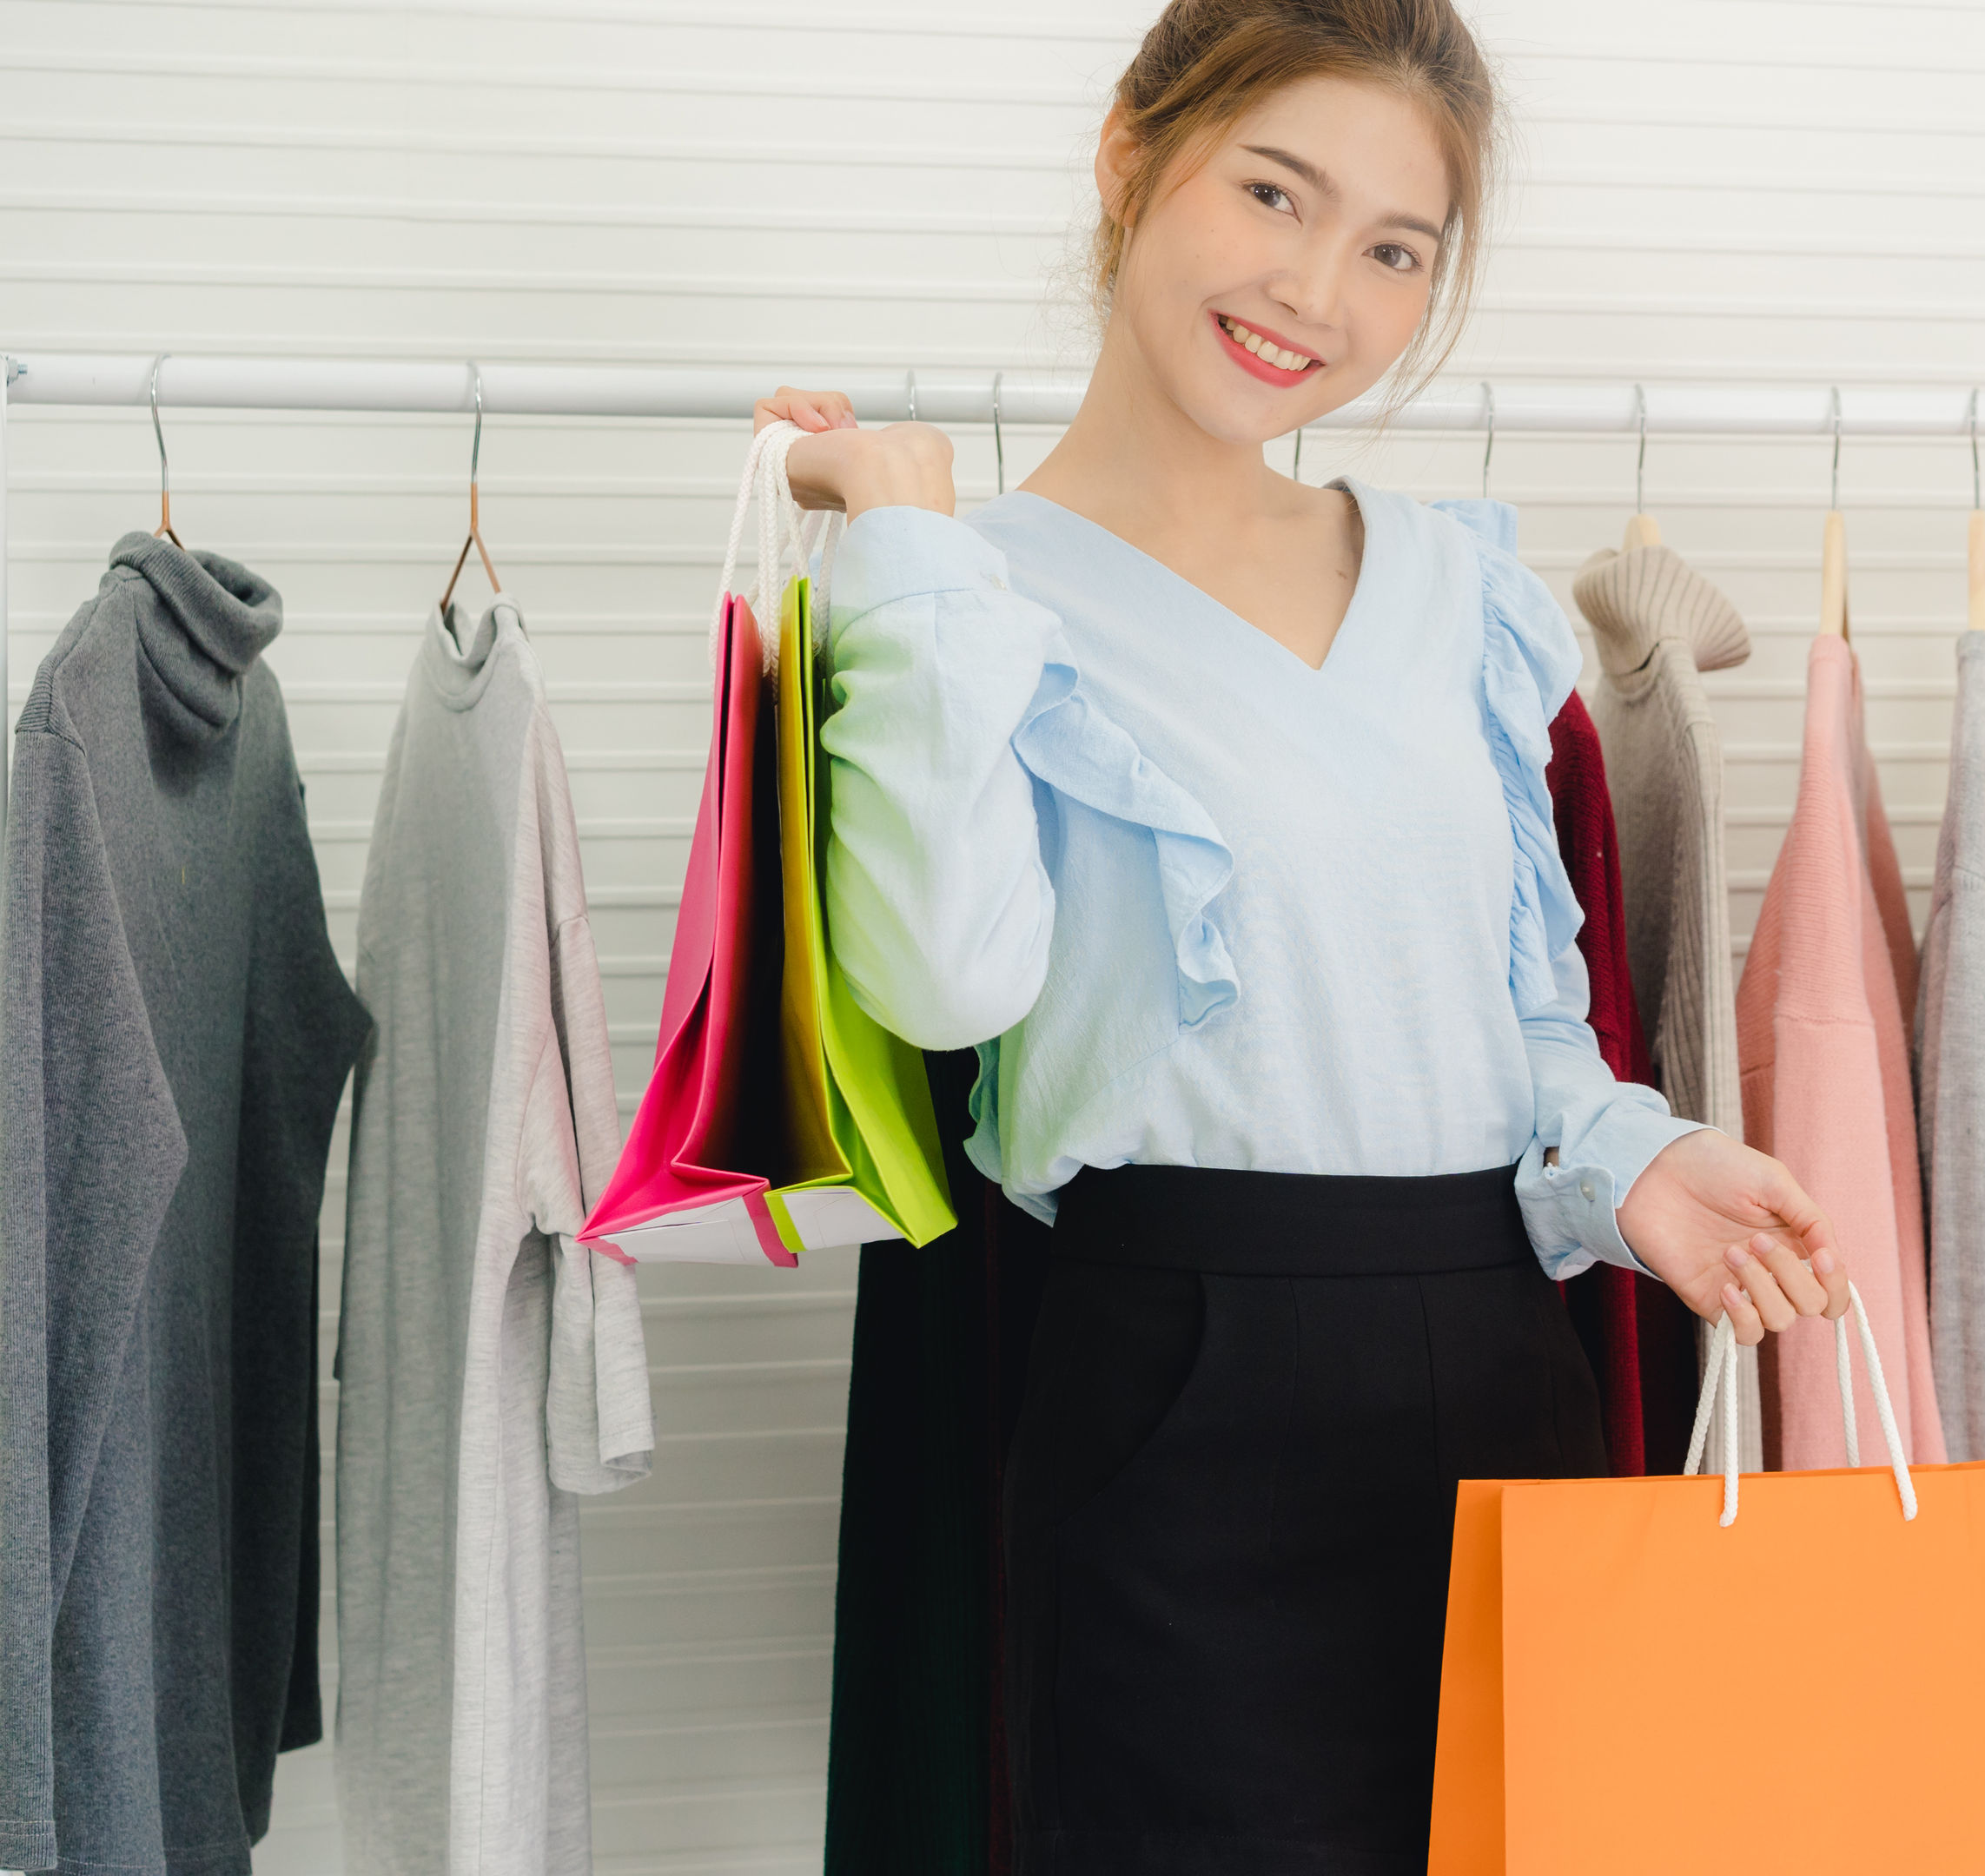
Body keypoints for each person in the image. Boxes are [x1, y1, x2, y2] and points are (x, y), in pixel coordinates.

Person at [754, 0, 1847, 1868]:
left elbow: (1530, 1026)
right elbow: (948, 983)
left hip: (1506, 1374)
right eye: (1275, 192)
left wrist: (1636, 1163)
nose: (1317, 289)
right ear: (1130, 158)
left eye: (1394, 249)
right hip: (1171, 1398)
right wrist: (911, 557)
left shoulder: (1466, 595)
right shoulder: (965, 591)